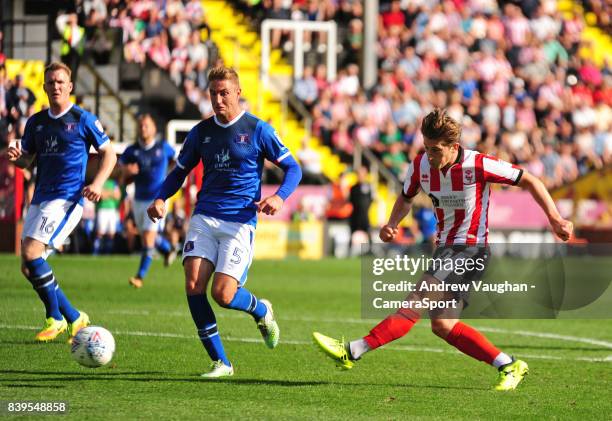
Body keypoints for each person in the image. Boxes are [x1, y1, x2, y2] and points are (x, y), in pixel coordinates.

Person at [313, 109, 573, 391]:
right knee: (444, 326)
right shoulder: (420, 165)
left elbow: (529, 180)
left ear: (453, 147)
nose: (430, 155)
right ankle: (508, 365)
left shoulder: (479, 165)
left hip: (470, 249)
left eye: (435, 150)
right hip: (446, 250)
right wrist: (392, 223)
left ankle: (352, 350)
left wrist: (555, 218)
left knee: (415, 301)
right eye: (425, 148)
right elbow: (405, 197)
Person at [147, 66, 302, 378]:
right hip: (205, 216)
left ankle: (261, 309)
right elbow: (179, 172)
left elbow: (293, 168)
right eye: (213, 94)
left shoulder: (258, 130)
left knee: (224, 294)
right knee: (193, 284)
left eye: (224, 93)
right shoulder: (200, 133)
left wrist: (279, 197)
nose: (218, 100)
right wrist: (162, 197)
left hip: (239, 222)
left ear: (238, 92)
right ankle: (221, 362)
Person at [6, 62, 117, 342]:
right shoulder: (36, 122)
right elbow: (27, 161)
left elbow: (109, 154)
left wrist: (98, 183)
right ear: (43, 87)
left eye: (60, 82)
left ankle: (55, 317)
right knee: (27, 266)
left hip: (67, 199)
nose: (55, 86)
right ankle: (74, 316)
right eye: (50, 82)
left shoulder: (83, 119)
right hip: (41, 198)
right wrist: (15, 155)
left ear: (70, 87)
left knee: (33, 255)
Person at [119, 114, 177, 288]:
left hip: (157, 199)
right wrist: (127, 172)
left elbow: (178, 163)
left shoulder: (163, 148)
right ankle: (168, 249)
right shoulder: (131, 151)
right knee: (147, 235)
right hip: (138, 199)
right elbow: (121, 176)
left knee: (148, 238)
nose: (143, 128)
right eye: (141, 125)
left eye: (147, 125)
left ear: (154, 129)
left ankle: (139, 277)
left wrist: (170, 180)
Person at [93, 178, 121, 254]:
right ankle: (96, 252)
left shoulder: (114, 182)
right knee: (100, 232)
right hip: (102, 209)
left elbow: (118, 196)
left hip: (112, 210)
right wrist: (111, 193)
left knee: (111, 233)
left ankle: (108, 252)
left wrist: (107, 193)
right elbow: (102, 195)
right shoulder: (101, 181)